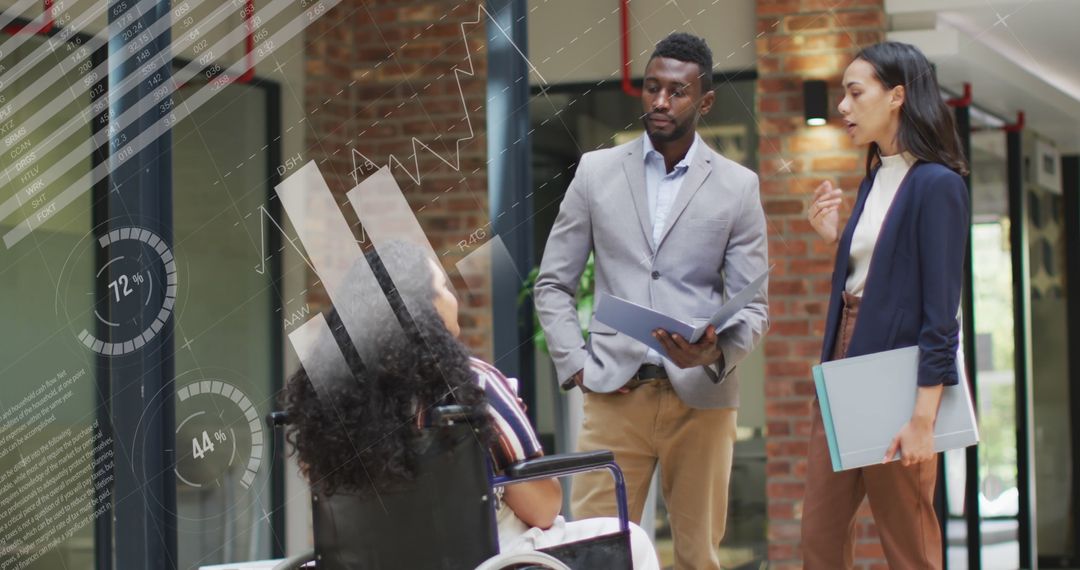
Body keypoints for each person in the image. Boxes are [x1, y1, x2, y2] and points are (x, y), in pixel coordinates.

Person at [534, 32, 769, 569]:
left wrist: (713, 353)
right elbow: (553, 285)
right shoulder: (596, 172)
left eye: (678, 92)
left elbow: (753, 307)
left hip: (701, 403)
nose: (661, 102)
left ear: (705, 101)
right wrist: (575, 367)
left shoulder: (738, 187)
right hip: (613, 394)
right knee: (593, 555)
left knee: (697, 558)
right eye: (652, 87)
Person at [282, 241, 660, 569]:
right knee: (634, 541)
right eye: (443, 287)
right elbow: (544, 511)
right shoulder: (471, 384)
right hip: (488, 559)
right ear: (422, 310)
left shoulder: (328, 401)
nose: (454, 297)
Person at [802, 41, 970, 569]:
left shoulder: (938, 184)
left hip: (899, 378)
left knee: (908, 545)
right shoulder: (876, 176)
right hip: (843, 366)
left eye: (855, 93)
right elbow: (884, 274)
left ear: (897, 96)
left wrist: (924, 417)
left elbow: (941, 312)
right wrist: (838, 240)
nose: (843, 107)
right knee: (819, 539)